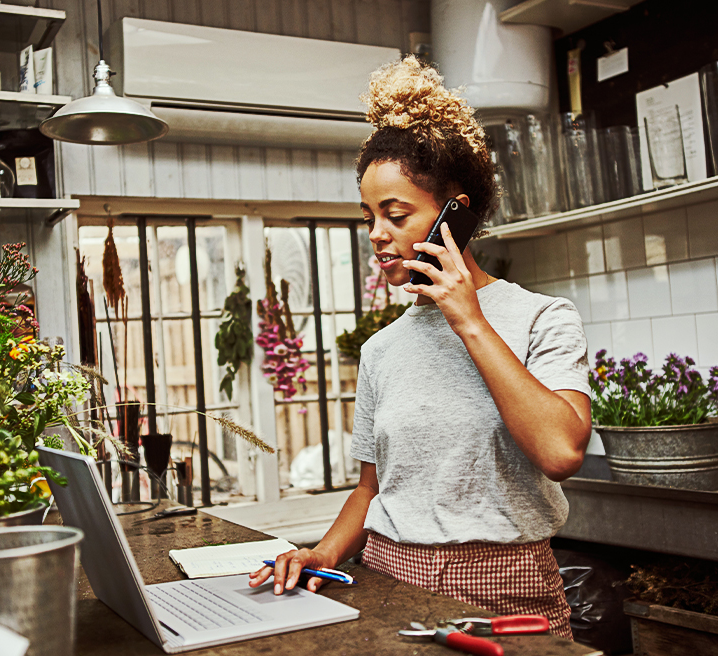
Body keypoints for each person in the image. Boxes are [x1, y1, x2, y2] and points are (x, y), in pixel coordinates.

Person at [249, 56, 591, 640]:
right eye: (369, 216)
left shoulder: (542, 318)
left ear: (453, 212)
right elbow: (373, 486)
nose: (377, 233)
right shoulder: (382, 349)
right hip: (387, 577)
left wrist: (470, 321)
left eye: (395, 213)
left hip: (506, 584)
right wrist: (323, 553)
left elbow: (561, 452)